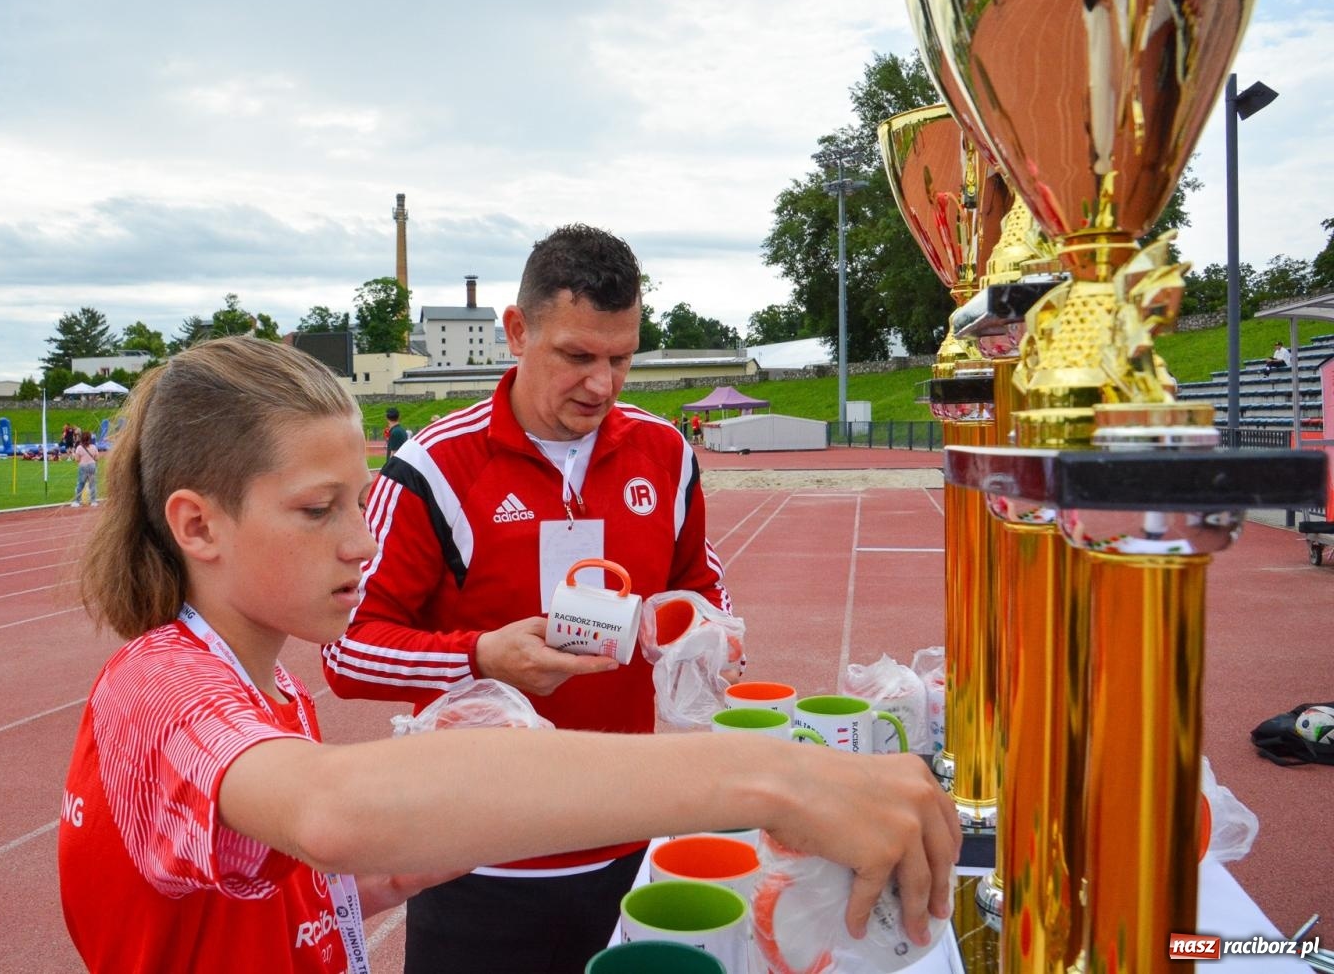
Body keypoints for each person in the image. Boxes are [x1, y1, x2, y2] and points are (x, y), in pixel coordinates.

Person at [60, 335, 959, 974]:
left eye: (357, 502)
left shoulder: (269, 691)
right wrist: (772, 778)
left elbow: (310, 887)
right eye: (316, 509)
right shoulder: (158, 687)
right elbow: (331, 813)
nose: (360, 544)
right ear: (197, 525)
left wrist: (485, 797)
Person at [320, 225, 735, 971]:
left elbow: (701, 587)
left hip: (625, 832)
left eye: (621, 358)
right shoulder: (431, 470)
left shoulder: (666, 454)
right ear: (517, 332)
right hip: (475, 854)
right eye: (577, 356)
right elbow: (346, 648)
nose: (602, 385)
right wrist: (481, 656)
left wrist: (701, 633)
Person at [69, 432, 100, 507]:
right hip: (92, 466)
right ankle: (93, 501)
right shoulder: (94, 447)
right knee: (92, 484)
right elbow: (97, 458)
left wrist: (74, 455)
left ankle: (77, 501)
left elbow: (77, 459)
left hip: (83, 466)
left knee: (80, 484)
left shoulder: (79, 448)